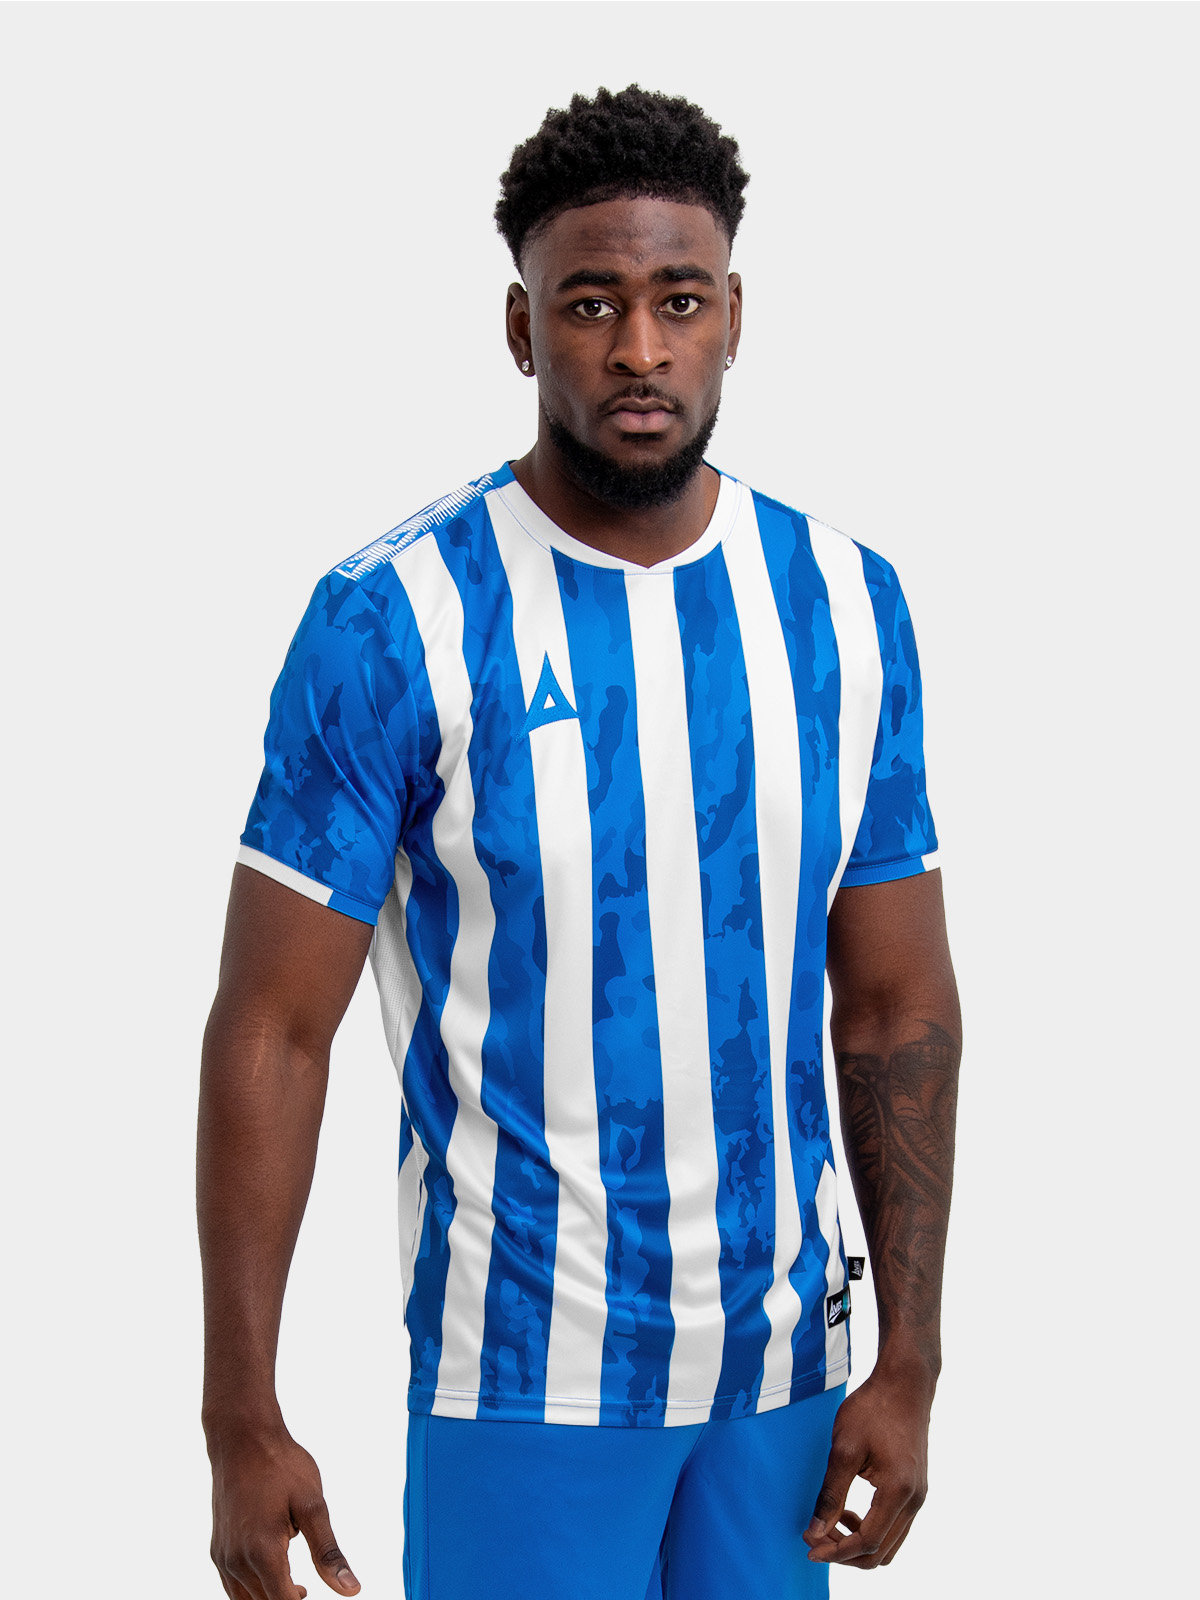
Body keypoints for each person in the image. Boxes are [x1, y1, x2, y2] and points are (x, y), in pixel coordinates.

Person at [198, 84, 961, 1600]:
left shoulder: (843, 606)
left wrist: (913, 1359)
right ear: (520, 326)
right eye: (590, 304)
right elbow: (276, 1028)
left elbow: (895, 1008)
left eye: (677, 302)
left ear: (733, 313)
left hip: (781, 1374)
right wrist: (239, 1414)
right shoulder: (395, 620)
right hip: (525, 1374)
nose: (636, 349)